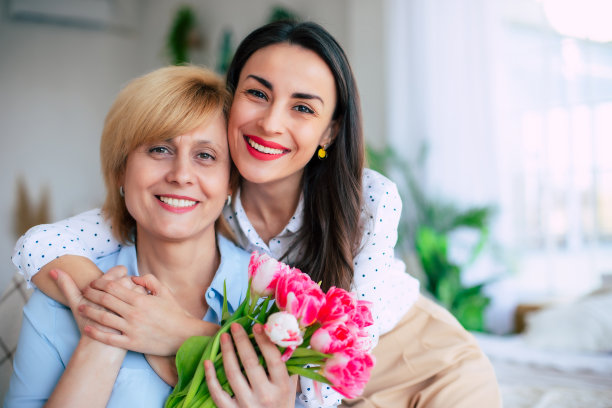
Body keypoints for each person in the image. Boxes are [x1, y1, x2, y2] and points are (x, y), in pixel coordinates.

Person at [12, 21, 501, 407]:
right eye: (257, 93)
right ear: (231, 100)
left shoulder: (367, 203)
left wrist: (180, 331)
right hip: (301, 377)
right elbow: (36, 247)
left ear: (330, 132)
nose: (270, 122)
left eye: (303, 109)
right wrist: (112, 310)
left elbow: (323, 386)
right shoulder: (205, 184)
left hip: (415, 362)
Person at [6, 65, 297, 408]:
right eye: (159, 149)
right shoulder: (58, 296)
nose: (181, 175)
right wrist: (104, 336)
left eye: (205, 155)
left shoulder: (275, 305)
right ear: (120, 169)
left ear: (230, 181)